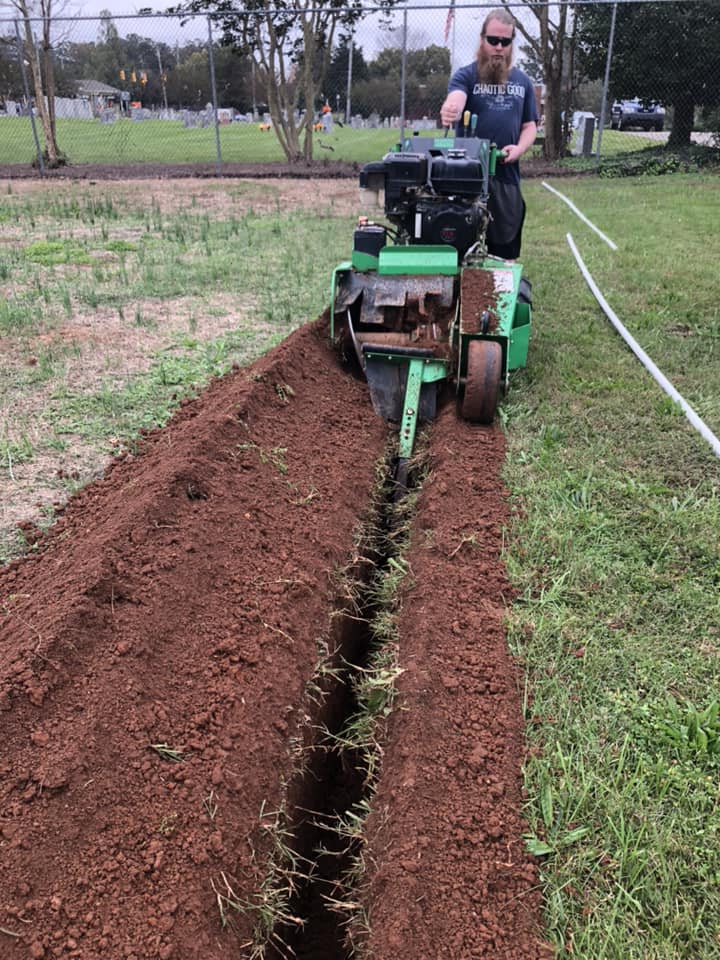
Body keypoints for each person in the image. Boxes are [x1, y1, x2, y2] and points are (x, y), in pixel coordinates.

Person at [440, 8, 538, 260]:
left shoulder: (523, 82)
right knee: (458, 248)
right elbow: (457, 97)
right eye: (493, 40)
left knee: (505, 249)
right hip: (465, 176)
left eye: (505, 42)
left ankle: (500, 290)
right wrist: (452, 107)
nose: (498, 47)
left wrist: (519, 149)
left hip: (505, 176)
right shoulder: (466, 76)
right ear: (482, 39)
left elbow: (530, 126)